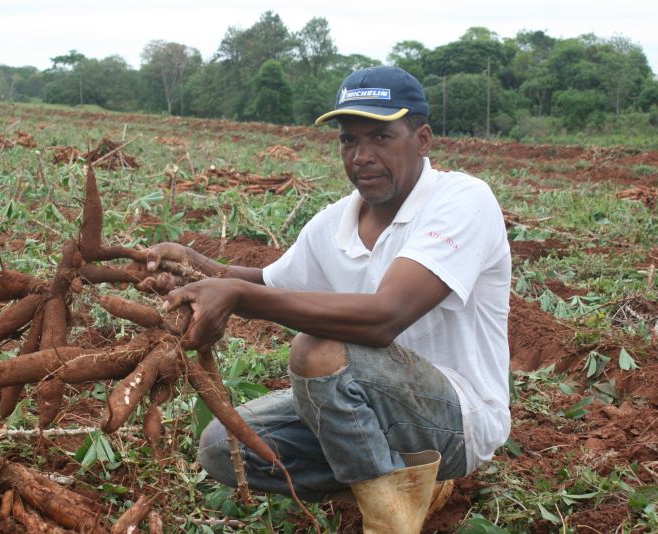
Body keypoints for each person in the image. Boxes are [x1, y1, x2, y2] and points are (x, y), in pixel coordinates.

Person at [136, 66, 511, 533]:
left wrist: (232, 293)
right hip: (374, 409)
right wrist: (196, 270)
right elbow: (271, 287)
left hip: (458, 419)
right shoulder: (332, 222)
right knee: (221, 447)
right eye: (349, 140)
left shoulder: (462, 200)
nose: (362, 156)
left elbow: (384, 317)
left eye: (381, 137)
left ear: (422, 139)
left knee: (317, 350)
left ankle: (391, 522)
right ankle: (409, 485)